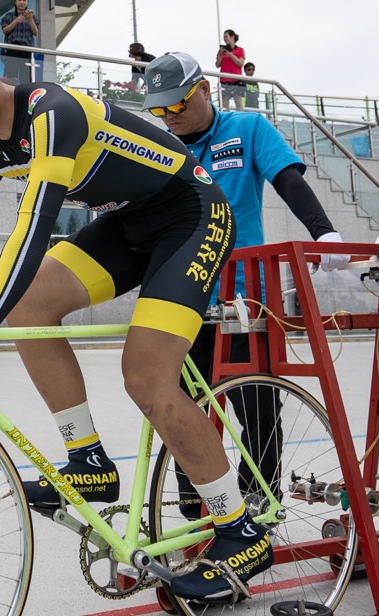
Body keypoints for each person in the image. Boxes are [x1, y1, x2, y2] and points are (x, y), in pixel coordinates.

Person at [0, 18, 264, 602]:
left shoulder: (51, 112)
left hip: (192, 215)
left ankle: (240, 528)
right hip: (128, 223)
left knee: (146, 376)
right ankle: (89, 461)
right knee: (28, 304)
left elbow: (32, 231)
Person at [144, 51, 345, 500]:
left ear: (204, 89)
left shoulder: (247, 128)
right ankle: (195, 511)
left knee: (257, 412)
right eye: (159, 110)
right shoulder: (160, 148)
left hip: (243, 302)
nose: (169, 117)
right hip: (183, 300)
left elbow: (287, 179)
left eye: (177, 104)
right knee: (180, 411)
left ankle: (258, 509)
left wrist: (324, 232)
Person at [0, 0, 38, 85]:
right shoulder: (9, 16)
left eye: (24, 0)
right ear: (15, 2)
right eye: (19, 0)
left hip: (27, 49)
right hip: (12, 49)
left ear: (27, 2)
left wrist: (30, 18)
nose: (21, 2)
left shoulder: (32, 17)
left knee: (26, 78)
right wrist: (16, 21)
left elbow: (35, 32)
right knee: (10, 77)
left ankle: (24, 92)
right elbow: (5, 30)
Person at [216, 30, 246, 109]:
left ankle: (240, 116)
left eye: (226, 37)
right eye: (224, 37)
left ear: (232, 37)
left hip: (236, 79)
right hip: (225, 80)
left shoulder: (240, 50)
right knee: (225, 104)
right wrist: (220, 55)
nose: (225, 39)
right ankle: (226, 117)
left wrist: (231, 55)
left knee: (238, 102)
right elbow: (217, 65)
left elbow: (240, 63)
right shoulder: (221, 51)